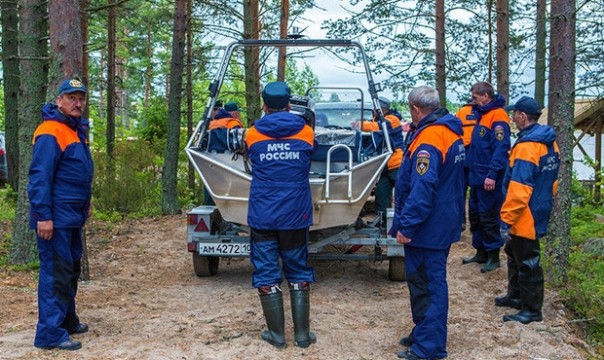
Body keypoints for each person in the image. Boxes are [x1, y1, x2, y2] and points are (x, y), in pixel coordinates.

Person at [390, 86, 465, 360]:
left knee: (429, 285)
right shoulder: (450, 131)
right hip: (441, 220)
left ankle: (430, 347)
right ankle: (424, 332)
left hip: (428, 227)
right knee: (423, 283)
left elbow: (423, 188)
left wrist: (406, 226)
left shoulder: (431, 138)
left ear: (415, 109)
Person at [244, 82, 316, 349]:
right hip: (295, 213)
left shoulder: (252, 134)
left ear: (264, 105)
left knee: (266, 269)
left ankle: (276, 335)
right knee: (298, 268)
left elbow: (250, 157)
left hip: (263, 212)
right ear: (289, 104)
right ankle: (302, 336)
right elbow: (311, 155)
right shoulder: (306, 132)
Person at [28, 78, 94, 351]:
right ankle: (49, 334)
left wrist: (86, 203)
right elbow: (40, 177)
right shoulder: (50, 131)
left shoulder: (76, 130)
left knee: (70, 269)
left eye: (80, 98)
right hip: (54, 218)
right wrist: (43, 215)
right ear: (59, 101)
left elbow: (78, 173)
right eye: (71, 98)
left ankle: (67, 320)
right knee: (56, 272)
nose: (76, 103)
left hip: (72, 216)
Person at [497, 96, 559, 324]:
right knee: (514, 254)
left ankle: (532, 310)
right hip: (538, 206)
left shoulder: (527, 146)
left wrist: (507, 219)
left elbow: (519, 188)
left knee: (528, 261)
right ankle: (516, 296)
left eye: (515, 114)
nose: (512, 118)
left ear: (523, 116)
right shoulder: (550, 142)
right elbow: (553, 179)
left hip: (525, 214)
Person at [463, 81, 511, 273]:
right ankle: (480, 250)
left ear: (485, 96)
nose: (473, 101)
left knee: (489, 216)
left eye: (475, 97)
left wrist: (492, 174)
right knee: (475, 215)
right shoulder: (482, 115)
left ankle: (493, 255)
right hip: (477, 176)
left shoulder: (498, 116)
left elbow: (501, 148)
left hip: (489, 178)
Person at [358, 96, 406, 227]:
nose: (373, 110)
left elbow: (378, 127)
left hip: (397, 164)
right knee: (381, 194)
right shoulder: (377, 119)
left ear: (381, 109)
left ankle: (405, 221)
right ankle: (383, 223)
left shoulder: (393, 120)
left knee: (403, 194)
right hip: (384, 166)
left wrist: (359, 125)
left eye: (375, 108)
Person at [455, 101, 478, 231]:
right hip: (476, 153)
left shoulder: (461, 112)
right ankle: (475, 223)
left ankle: (461, 221)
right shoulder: (481, 113)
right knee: (476, 190)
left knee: (460, 191)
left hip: (462, 152)